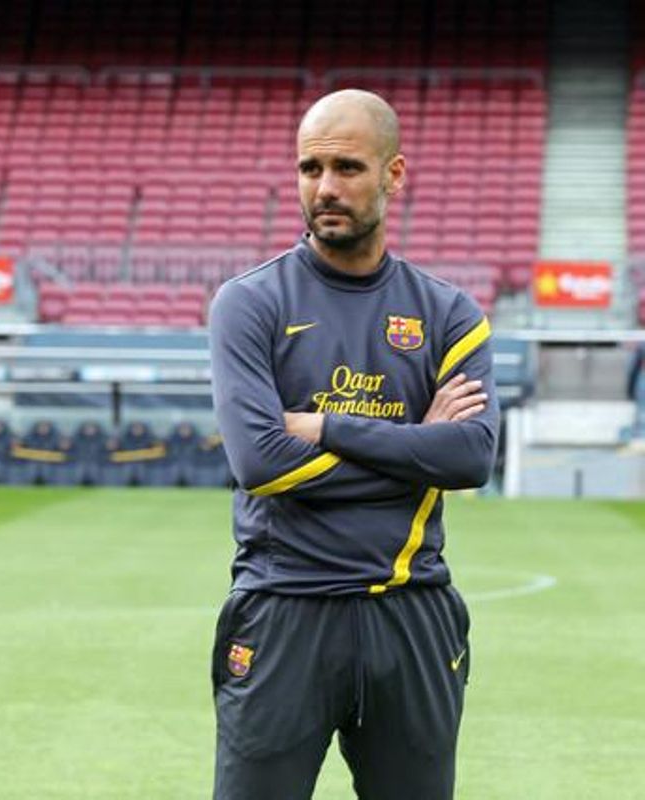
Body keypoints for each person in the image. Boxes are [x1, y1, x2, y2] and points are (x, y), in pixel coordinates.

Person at [208, 89, 499, 800]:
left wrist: (329, 427)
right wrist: (415, 446)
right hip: (283, 612)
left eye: (347, 167)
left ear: (394, 175)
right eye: (310, 168)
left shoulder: (449, 314)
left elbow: (470, 459)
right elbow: (259, 464)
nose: (325, 188)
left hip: (410, 612)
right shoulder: (250, 303)